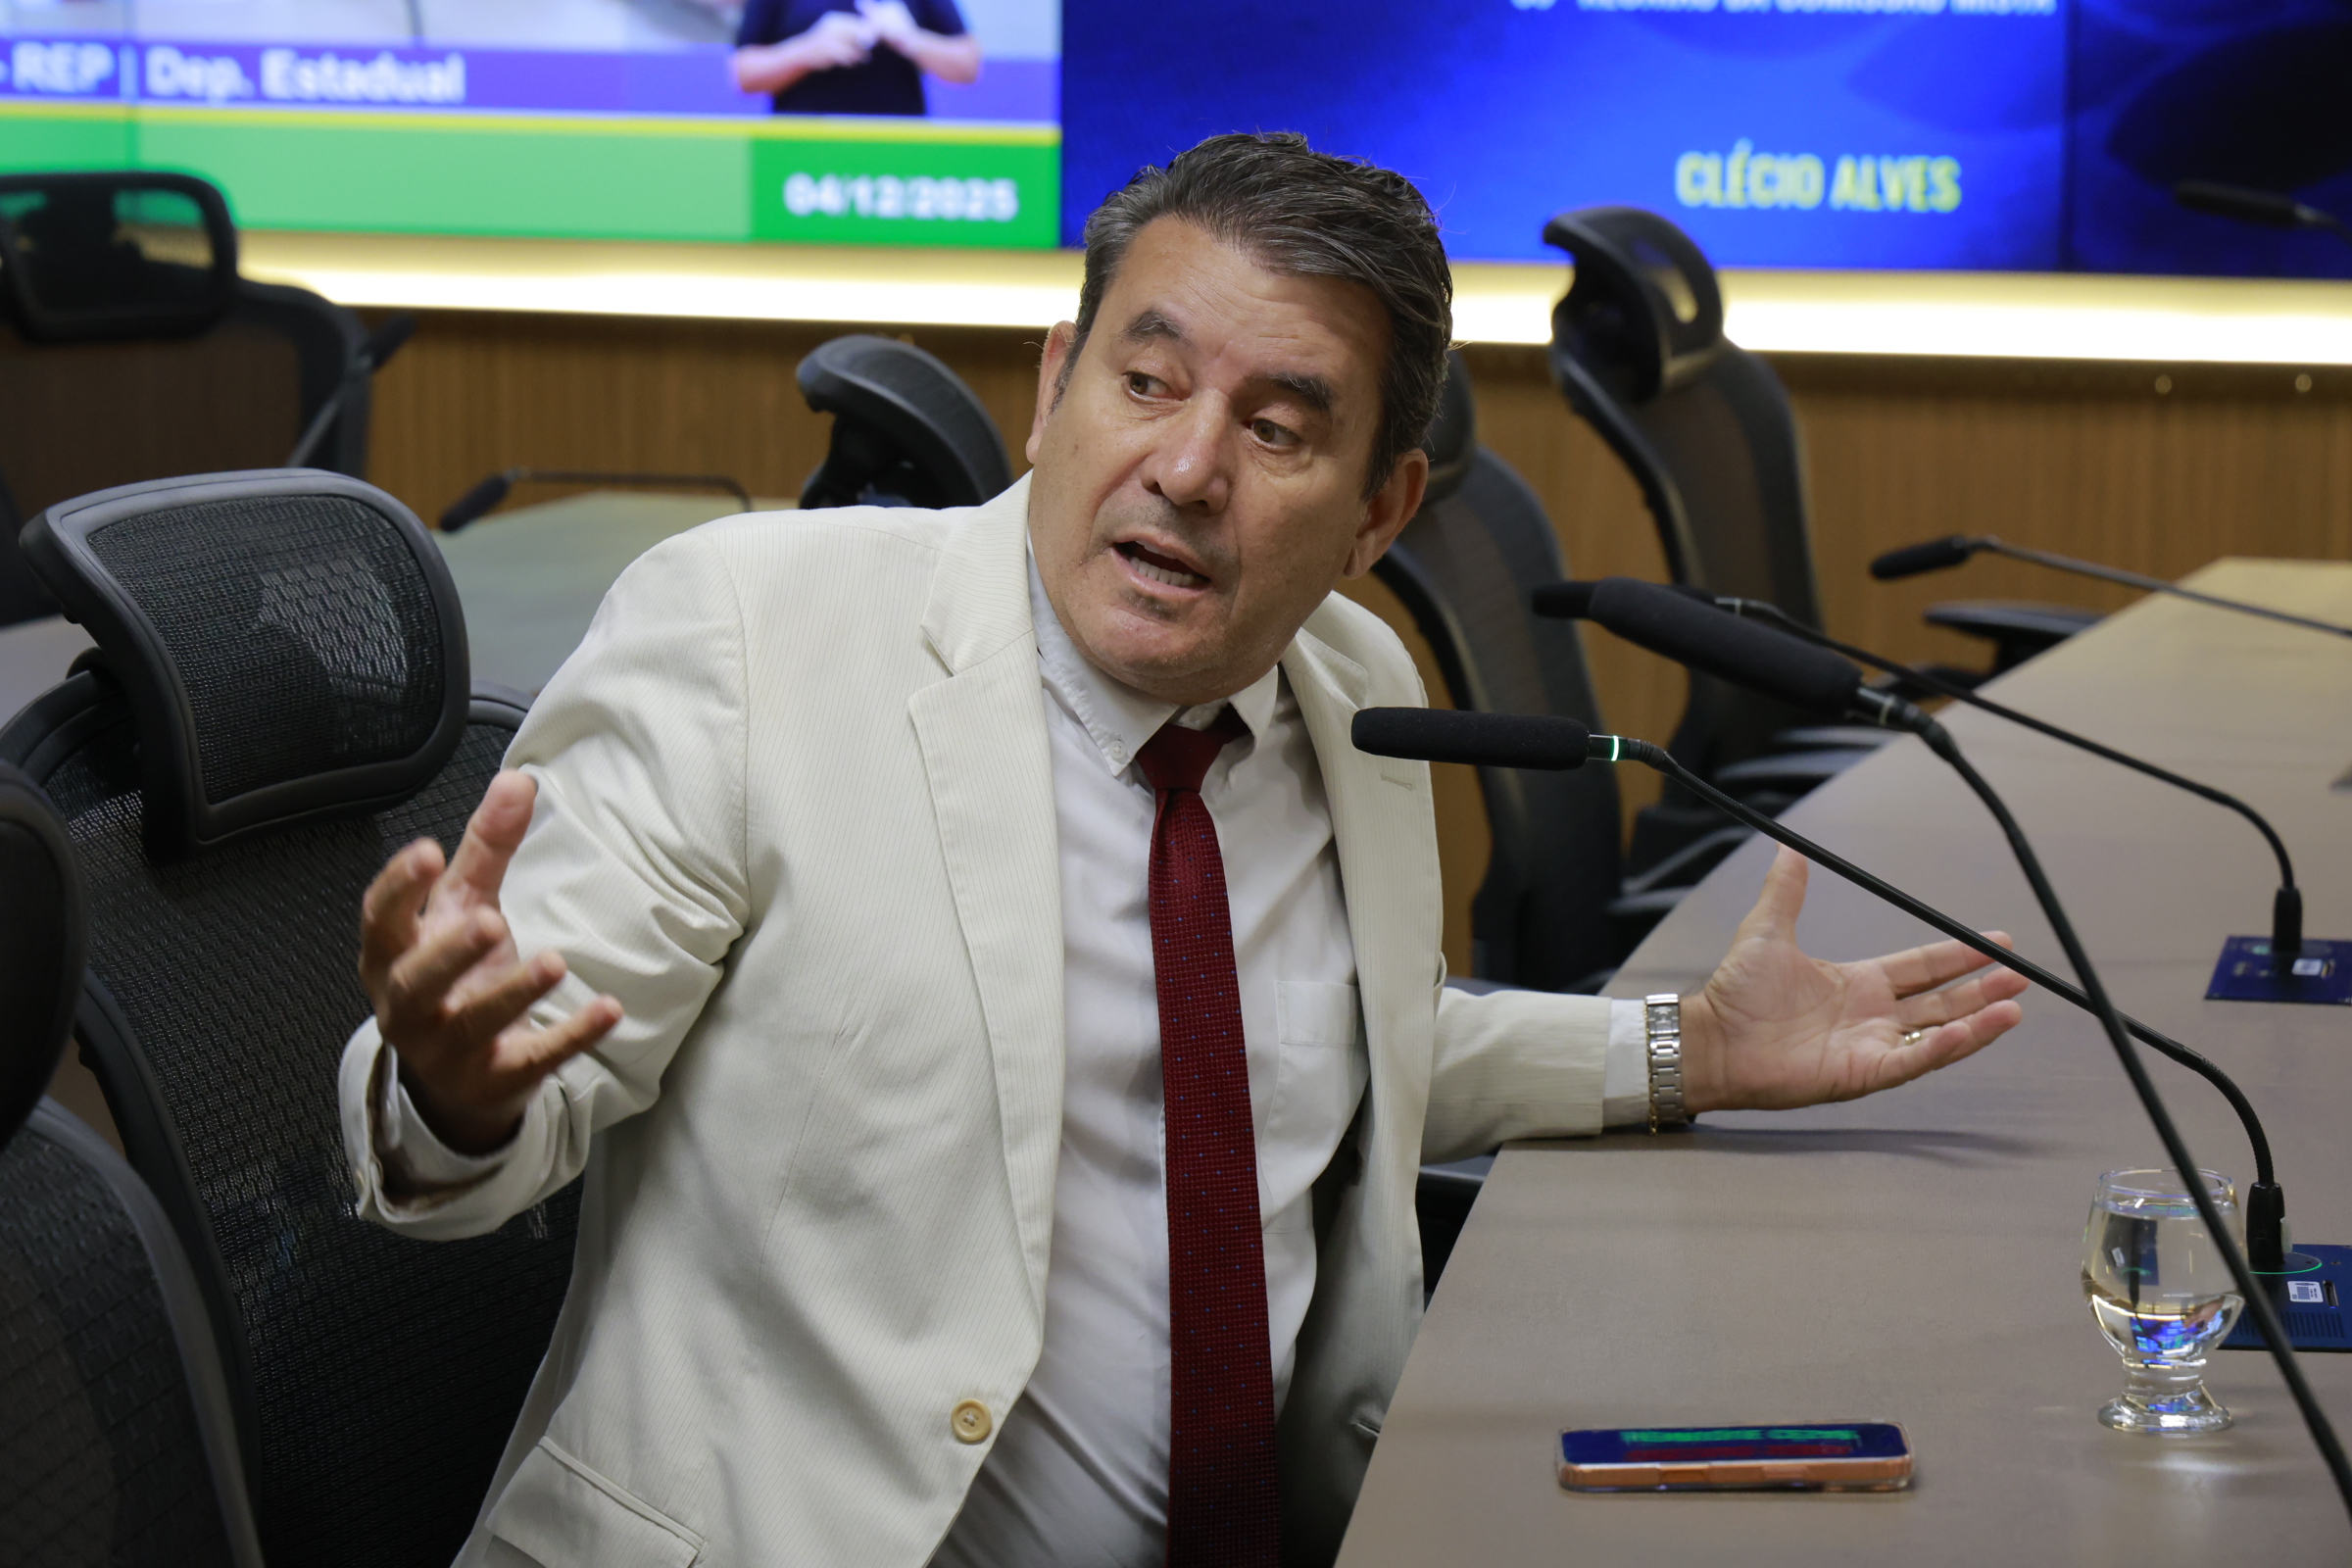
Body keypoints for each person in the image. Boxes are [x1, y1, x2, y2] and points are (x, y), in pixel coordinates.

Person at [343, 133, 2027, 1567]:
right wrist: (456, 1087)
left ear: (1379, 514)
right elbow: (513, 1091)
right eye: (1145, 383)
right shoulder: (753, 635)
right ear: (1053, 388)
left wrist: (1683, 1050)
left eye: (1279, 430)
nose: (1189, 467)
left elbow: (1333, 1053)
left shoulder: (1353, 690)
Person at [730, 0, 980, 118]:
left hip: (896, 154)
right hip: (802, 156)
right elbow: (744, 74)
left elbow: (967, 65)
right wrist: (807, 51)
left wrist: (910, 39)